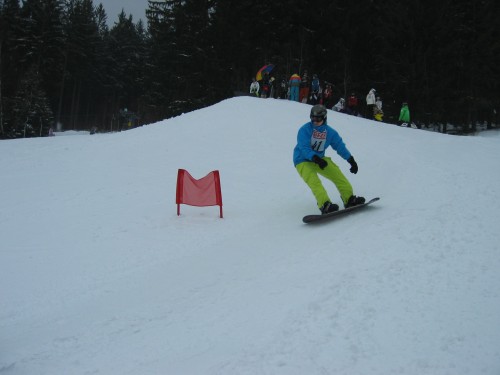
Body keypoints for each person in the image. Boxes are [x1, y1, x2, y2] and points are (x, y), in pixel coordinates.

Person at [293, 104, 365, 214]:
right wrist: (315, 158)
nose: (315, 121)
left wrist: (350, 160)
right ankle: (324, 204)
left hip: (319, 160)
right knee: (314, 182)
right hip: (302, 160)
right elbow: (303, 147)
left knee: (337, 175)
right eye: (312, 118)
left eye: (318, 119)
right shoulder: (304, 130)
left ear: (324, 118)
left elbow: (339, 146)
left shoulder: (330, 132)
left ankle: (349, 198)